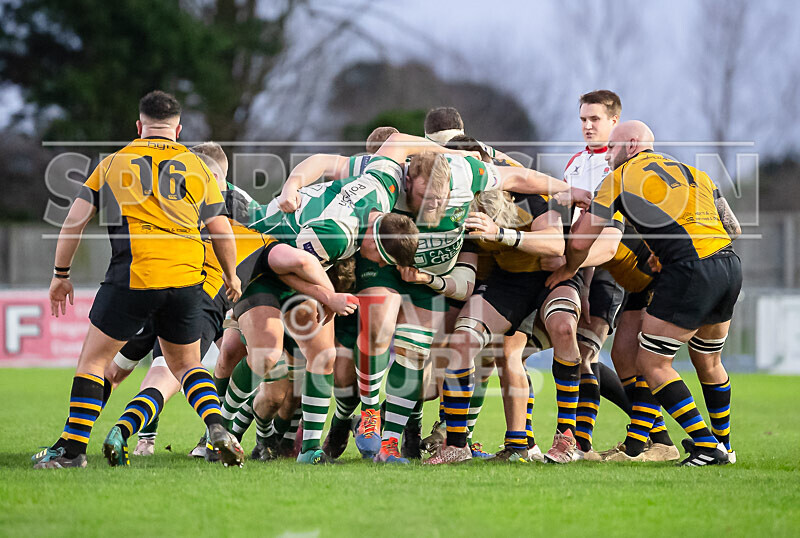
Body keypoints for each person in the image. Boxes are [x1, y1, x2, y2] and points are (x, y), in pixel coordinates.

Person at [33, 91, 243, 469]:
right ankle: (217, 428)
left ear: (138, 125)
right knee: (186, 365)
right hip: (185, 281)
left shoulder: (113, 163)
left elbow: (73, 222)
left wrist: (60, 275)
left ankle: (72, 451)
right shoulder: (196, 167)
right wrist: (231, 276)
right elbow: (221, 230)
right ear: (178, 129)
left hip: (135, 275)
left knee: (95, 360)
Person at [547, 120, 742, 466]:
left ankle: (706, 446)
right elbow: (734, 228)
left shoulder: (619, 179)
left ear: (633, 143)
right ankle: (722, 446)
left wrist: (569, 267)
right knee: (707, 360)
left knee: (651, 362)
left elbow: (580, 242)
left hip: (688, 269)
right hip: (728, 264)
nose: (607, 157)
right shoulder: (696, 173)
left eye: (612, 149)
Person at [422, 188, 565, 464]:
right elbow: (468, 271)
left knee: (512, 355)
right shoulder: (461, 208)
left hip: (549, 280)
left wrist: (500, 233)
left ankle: (533, 442)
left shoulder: (527, 196)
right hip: (507, 283)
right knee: (461, 343)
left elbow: (555, 247)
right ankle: (457, 444)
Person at [546, 90, 630, 459]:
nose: (587, 126)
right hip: (579, 265)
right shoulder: (576, 162)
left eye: (595, 119)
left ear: (615, 121)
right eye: (583, 119)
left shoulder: (624, 164)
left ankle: (580, 440)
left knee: (586, 352)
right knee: (584, 355)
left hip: (611, 266)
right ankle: (583, 440)